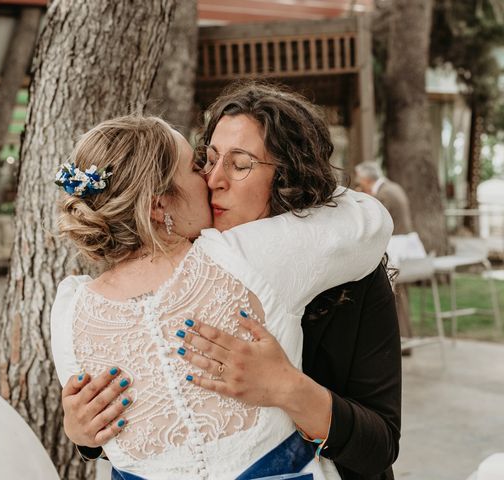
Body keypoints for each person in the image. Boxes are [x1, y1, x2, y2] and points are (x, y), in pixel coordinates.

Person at [51, 108, 392, 478]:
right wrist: (85, 435)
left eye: (240, 164)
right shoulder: (242, 259)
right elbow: (369, 220)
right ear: (158, 204)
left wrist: (288, 388)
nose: (211, 179)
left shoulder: (70, 311)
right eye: (201, 163)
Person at [355, 161, 414, 344]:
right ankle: (404, 336)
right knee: (400, 295)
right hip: (407, 249)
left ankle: (398, 338)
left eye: (359, 180)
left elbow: (377, 225)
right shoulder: (393, 187)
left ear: (365, 179)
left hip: (395, 250)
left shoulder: (383, 194)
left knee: (392, 294)